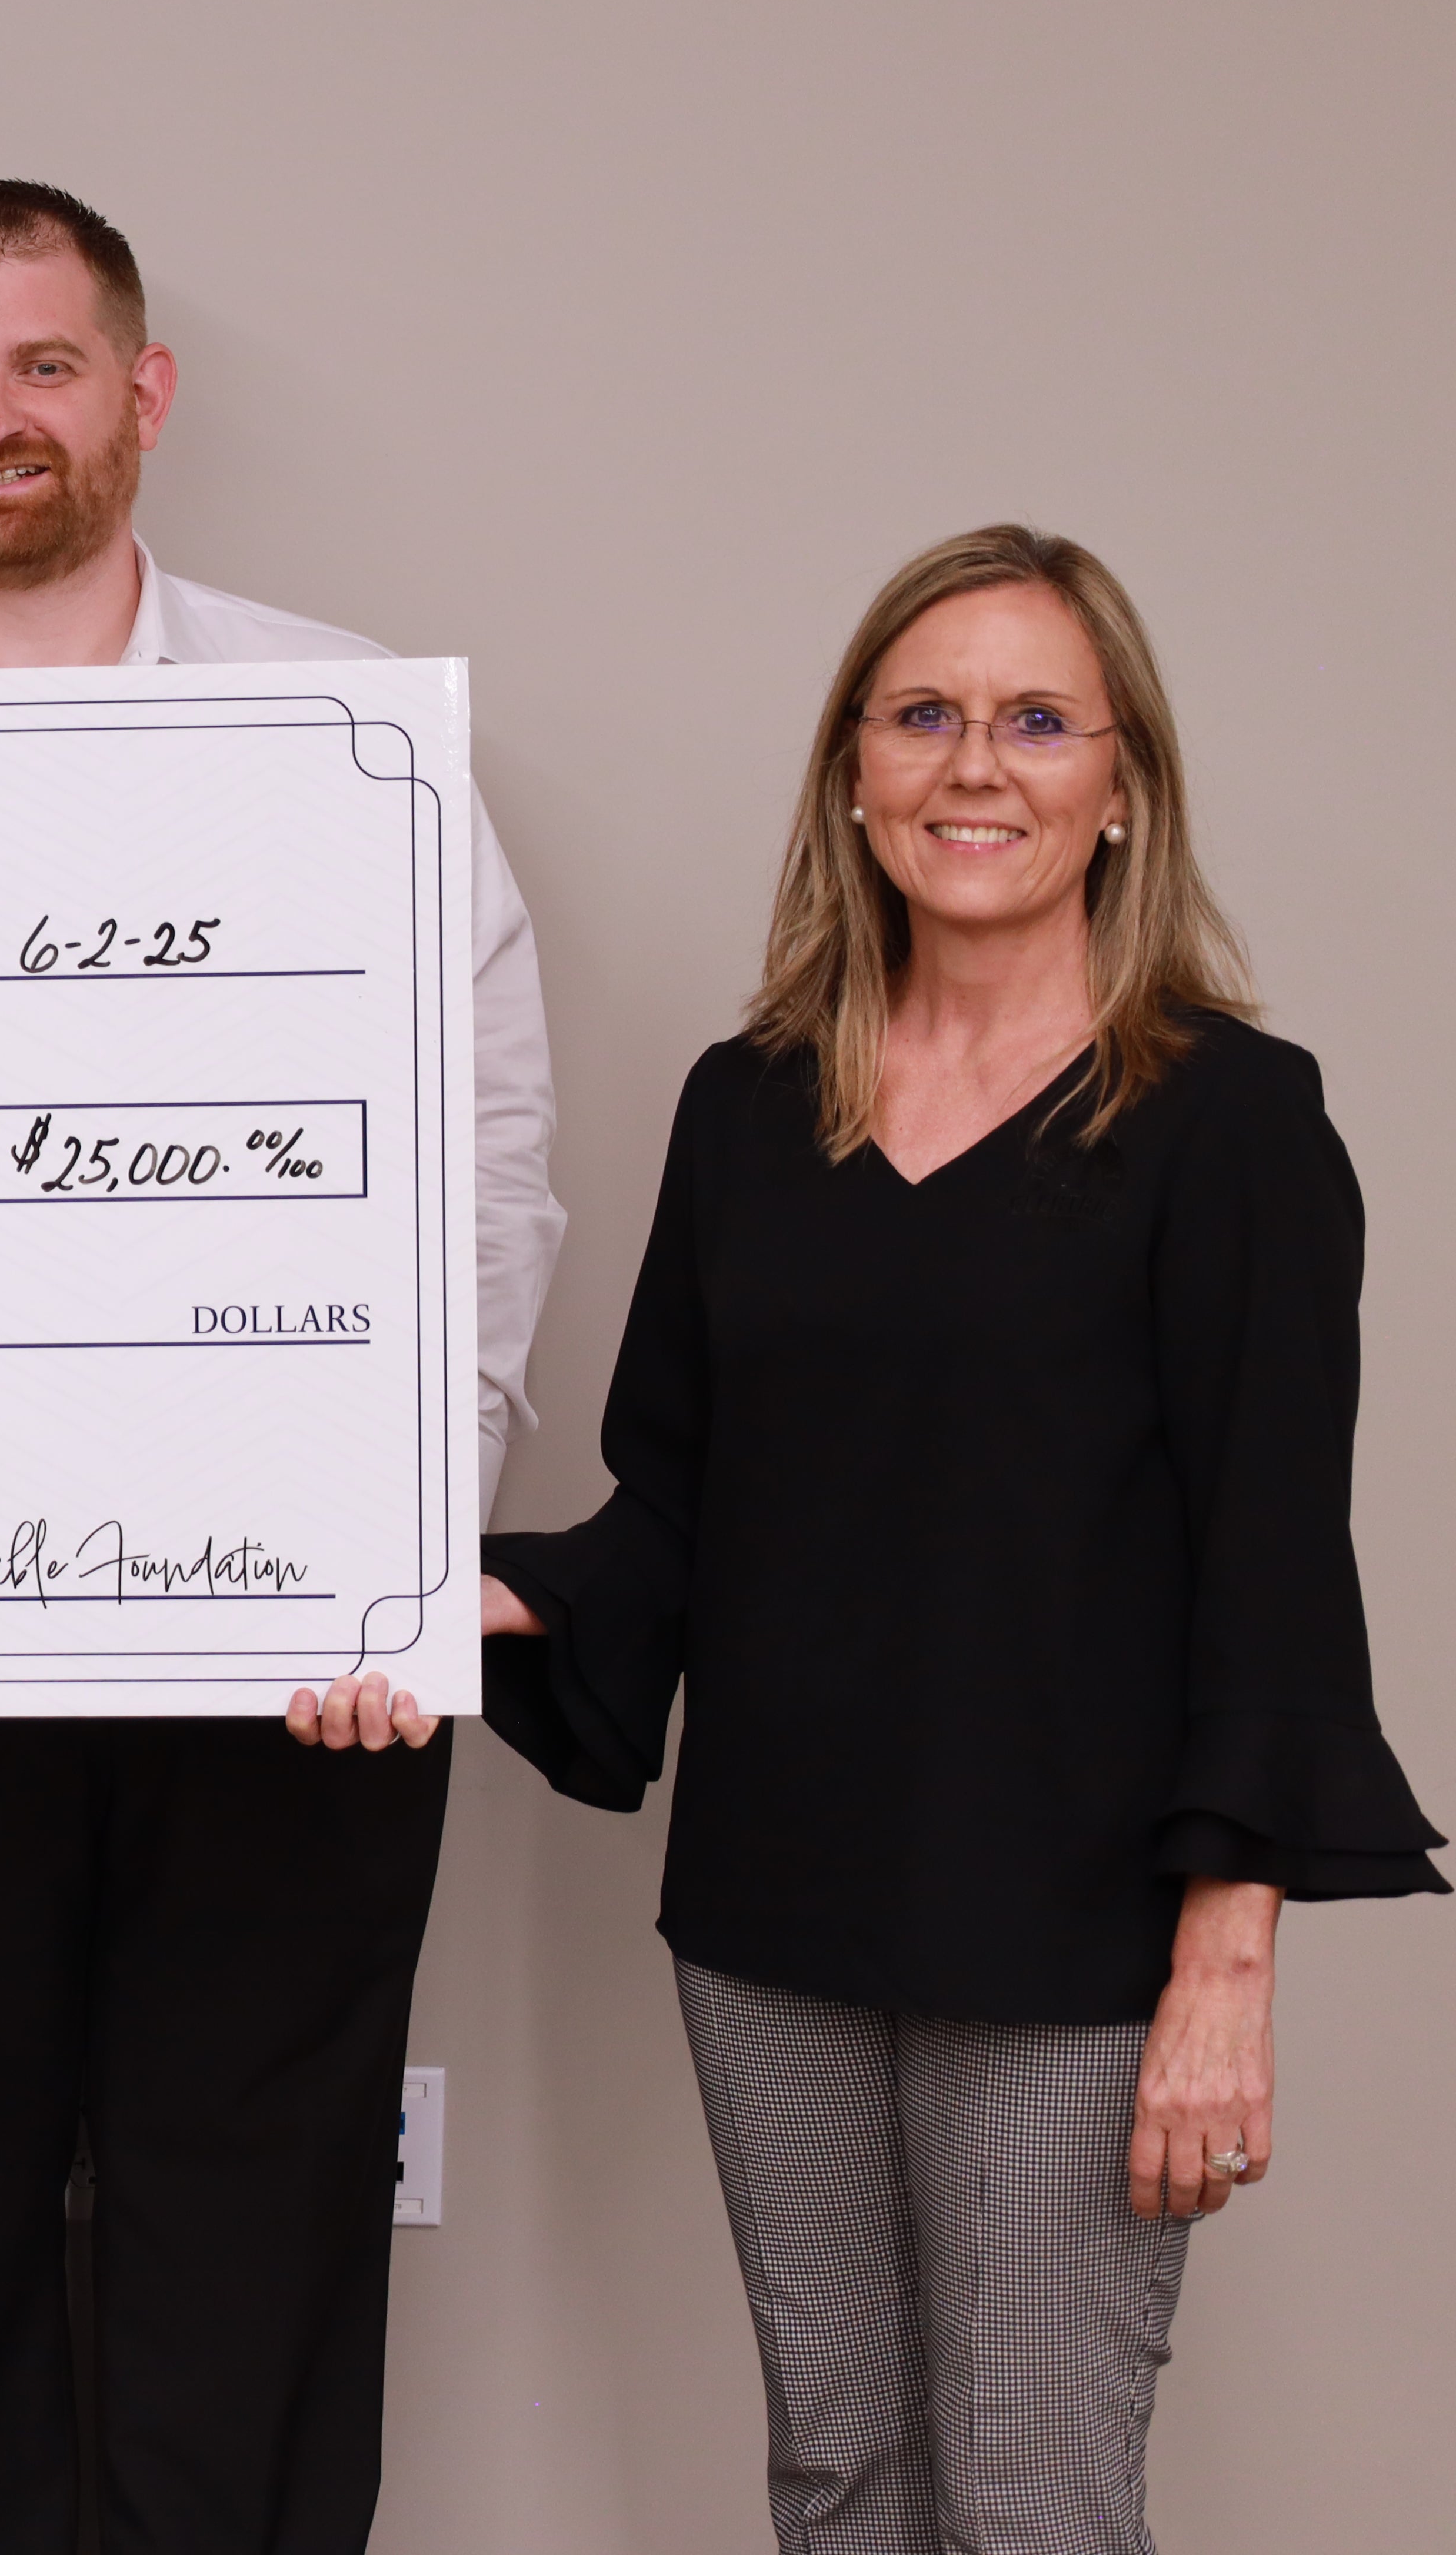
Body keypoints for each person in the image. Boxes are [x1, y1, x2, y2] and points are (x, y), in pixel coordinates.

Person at [0, 178, 565, 2553]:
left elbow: (484, 1158)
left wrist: (392, 1550)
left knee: (262, 2260)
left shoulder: (345, 742)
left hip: (289, 1673)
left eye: (47, 364)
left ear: (144, 392)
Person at [480, 525, 1443, 2555]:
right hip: (776, 1919)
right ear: (852, 771)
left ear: (1123, 788)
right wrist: (458, 1599)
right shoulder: (752, 1107)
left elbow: (1275, 1572)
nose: (973, 765)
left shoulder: (1233, 1124)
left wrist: (1226, 1967)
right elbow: (677, 1501)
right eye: (923, 716)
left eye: (1033, 720)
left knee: (1030, 2502)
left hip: (1083, 1936)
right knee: (839, 2485)